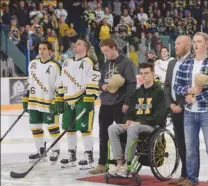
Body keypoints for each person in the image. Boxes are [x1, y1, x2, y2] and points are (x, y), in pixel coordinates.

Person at [174, 32, 208, 186]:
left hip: (207, 112)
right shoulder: (185, 64)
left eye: (199, 41)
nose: (196, 44)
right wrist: (189, 90)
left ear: (207, 44)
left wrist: (194, 97)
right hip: (189, 113)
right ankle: (192, 180)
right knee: (190, 149)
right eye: (194, 41)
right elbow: (177, 86)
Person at [107, 63, 167, 176]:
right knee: (112, 128)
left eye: (146, 73)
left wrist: (139, 122)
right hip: (135, 125)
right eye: (141, 73)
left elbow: (159, 116)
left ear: (153, 74)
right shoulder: (137, 92)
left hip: (151, 126)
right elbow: (129, 113)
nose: (143, 76)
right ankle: (119, 163)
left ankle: (128, 164)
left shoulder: (159, 92)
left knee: (133, 127)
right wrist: (128, 120)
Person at [89, 38, 137, 174]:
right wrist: (101, 86)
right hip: (106, 103)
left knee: (121, 134)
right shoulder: (105, 65)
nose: (105, 54)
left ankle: (122, 163)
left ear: (114, 47)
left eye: (107, 51)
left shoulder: (126, 63)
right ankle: (102, 163)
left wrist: (128, 102)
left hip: (120, 103)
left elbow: (132, 84)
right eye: (103, 52)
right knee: (103, 135)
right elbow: (100, 81)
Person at [60, 38, 100, 169]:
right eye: (75, 44)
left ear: (86, 48)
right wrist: (59, 96)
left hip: (83, 99)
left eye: (78, 44)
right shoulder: (66, 62)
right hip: (68, 99)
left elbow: (95, 79)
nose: (75, 46)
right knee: (68, 128)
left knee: (85, 128)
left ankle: (89, 156)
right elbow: (62, 80)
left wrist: (90, 97)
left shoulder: (90, 61)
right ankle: (72, 154)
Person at [165, 35, 200, 186]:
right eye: (176, 43)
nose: (176, 45)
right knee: (180, 142)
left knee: (191, 144)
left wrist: (180, 104)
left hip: (188, 109)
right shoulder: (172, 62)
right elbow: (166, 86)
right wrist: (171, 105)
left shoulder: (193, 62)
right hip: (174, 109)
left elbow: (191, 86)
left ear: (187, 46)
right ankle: (184, 173)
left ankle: (192, 177)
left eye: (179, 43)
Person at [22, 41, 63, 163]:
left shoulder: (55, 65)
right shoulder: (32, 64)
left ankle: (56, 150)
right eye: (40, 48)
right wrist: (26, 97)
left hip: (49, 102)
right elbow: (30, 82)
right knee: (35, 126)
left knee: (52, 127)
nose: (41, 51)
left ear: (50, 51)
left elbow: (60, 84)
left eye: (44, 49)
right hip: (34, 101)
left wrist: (59, 99)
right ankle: (40, 150)